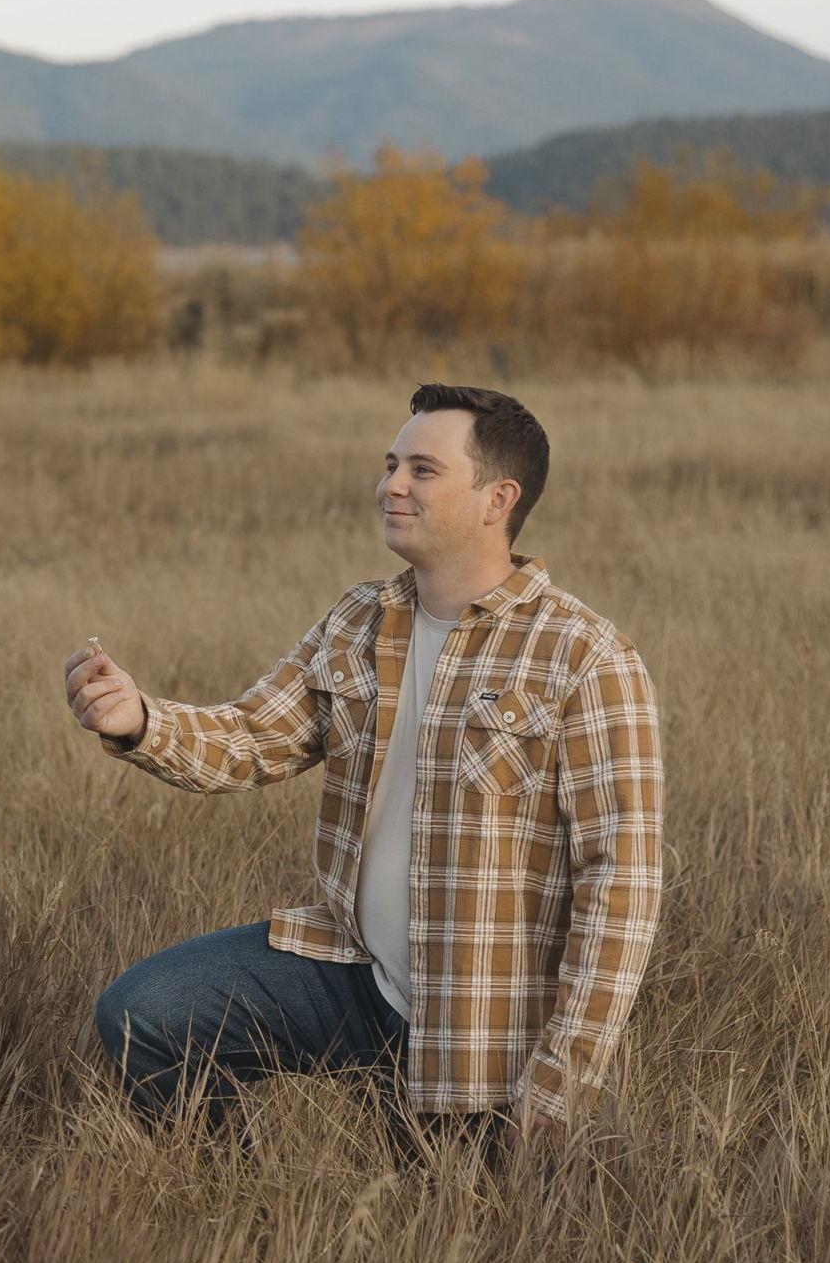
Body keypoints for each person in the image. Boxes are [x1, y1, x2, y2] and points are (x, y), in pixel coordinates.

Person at [64, 384, 663, 1160]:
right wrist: (138, 718)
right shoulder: (358, 621)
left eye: (422, 468)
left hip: (477, 1029)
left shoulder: (585, 657)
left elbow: (622, 885)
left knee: (449, 1241)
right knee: (145, 1014)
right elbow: (249, 737)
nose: (391, 485)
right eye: (390, 464)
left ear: (497, 499)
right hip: (352, 972)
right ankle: (233, 1206)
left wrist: (560, 1083)